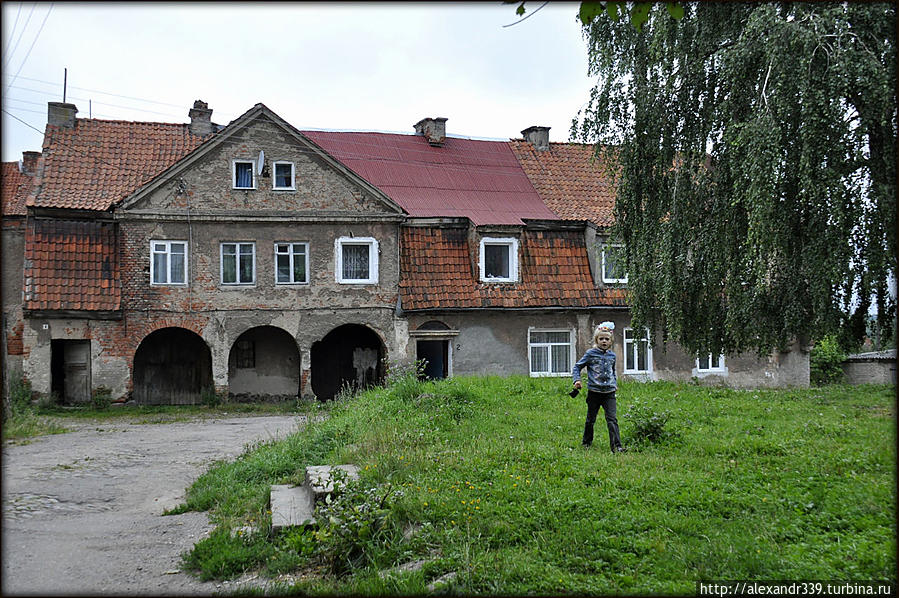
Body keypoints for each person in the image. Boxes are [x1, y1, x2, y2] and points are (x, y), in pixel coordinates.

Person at [572, 322, 625, 452]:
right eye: (601, 339)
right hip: (594, 392)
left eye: (607, 339)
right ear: (597, 340)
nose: (604, 341)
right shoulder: (590, 354)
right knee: (591, 419)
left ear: (611, 341)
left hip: (609, 393)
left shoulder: (612, 355)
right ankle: (586, 443)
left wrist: (615, 384)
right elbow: (577, 366)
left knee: (612, 419)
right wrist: (577, 380)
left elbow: (613, 372)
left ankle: (617, 446)